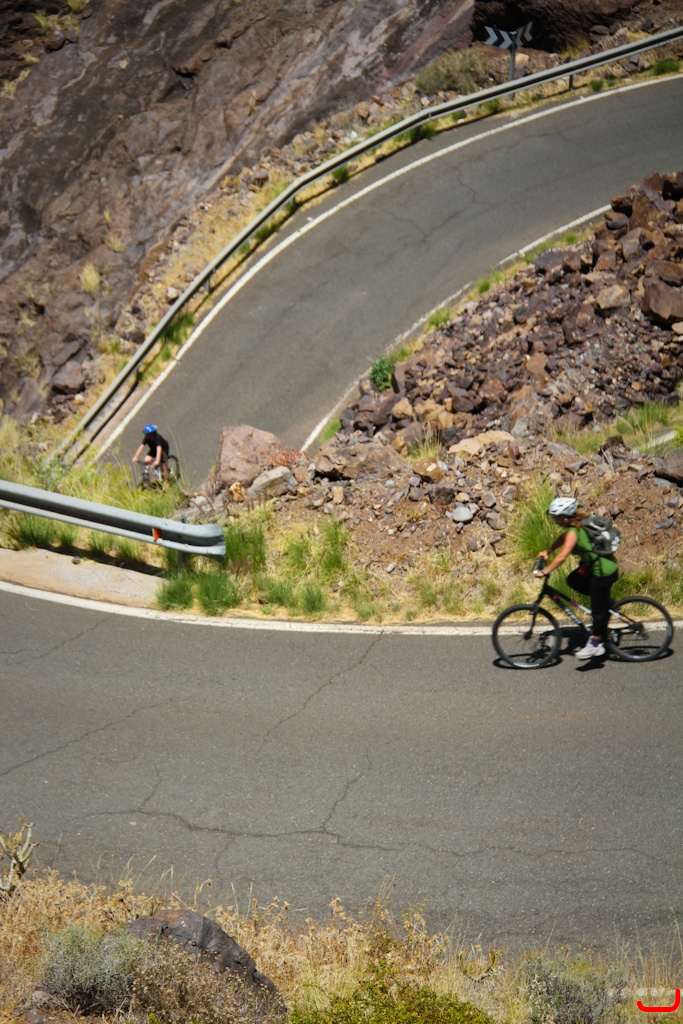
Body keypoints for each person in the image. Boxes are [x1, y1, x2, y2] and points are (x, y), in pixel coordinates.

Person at [534, 496, 619, 659]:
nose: (554, 520)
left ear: (564, 517)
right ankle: (606, 603)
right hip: (595, 567)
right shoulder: (574, 526)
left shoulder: (573, 531)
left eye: (556, 516)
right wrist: (548, 550)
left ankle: (596, 644)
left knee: (596, 608)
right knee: (573, 580)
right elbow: (563, 539)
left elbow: (562, 556)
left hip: (603, 572)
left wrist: (545, 571)